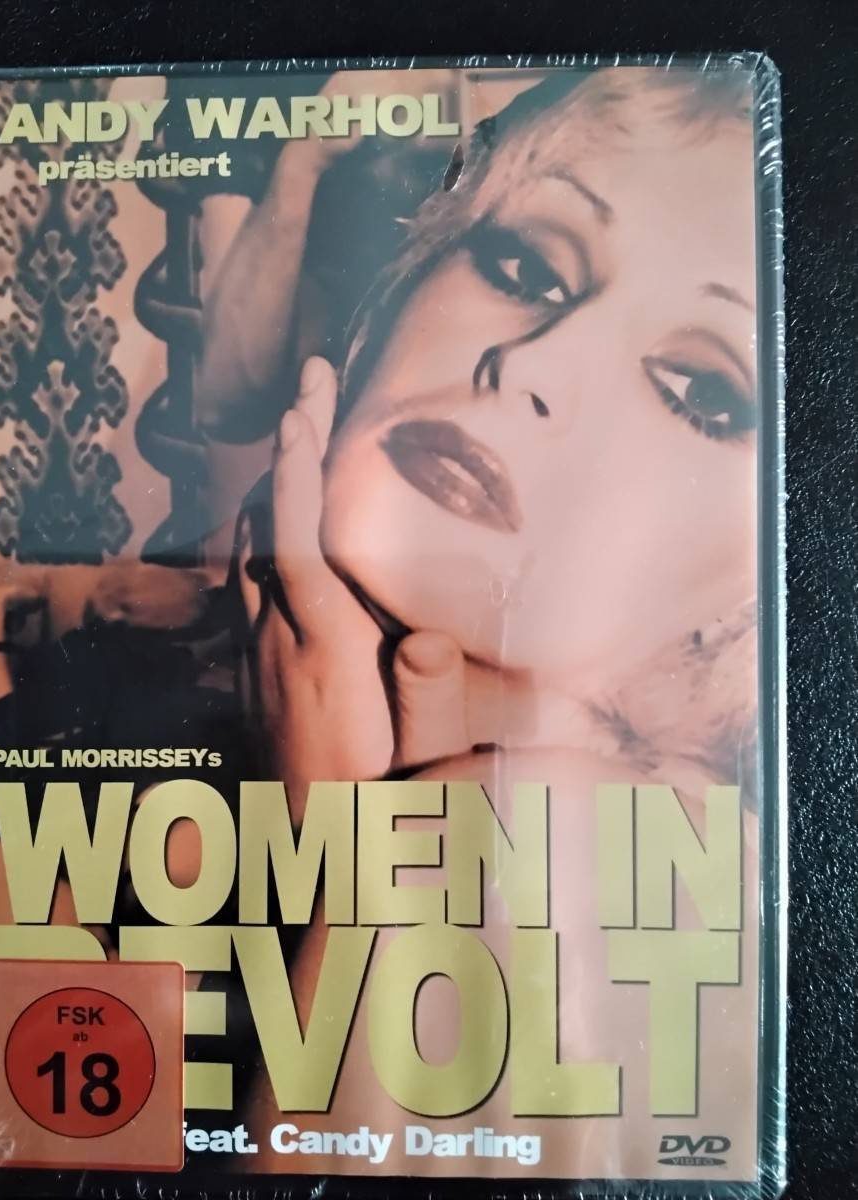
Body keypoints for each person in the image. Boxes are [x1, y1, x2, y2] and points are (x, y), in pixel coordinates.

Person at [227, 65, 761, 1178]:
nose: (534, 365)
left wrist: (355, 863)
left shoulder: (529, 852)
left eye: (699, 391)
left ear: (746, 601)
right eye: (525, 267)